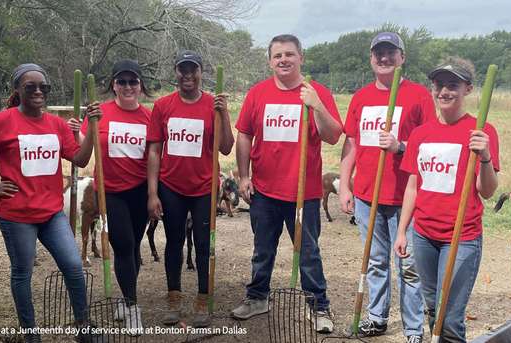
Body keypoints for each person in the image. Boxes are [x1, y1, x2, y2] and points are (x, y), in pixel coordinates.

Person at [0, 64, 99, 343]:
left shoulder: (55, 123)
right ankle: (31, 334)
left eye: (44, 87)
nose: (38, 91)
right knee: (22, 272)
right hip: (16, 215)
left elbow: (80, 159)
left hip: (52, 213)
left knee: (73, 266)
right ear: (17, 90)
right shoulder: (1, 122)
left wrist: (92, 128)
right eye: (30, 86)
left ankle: (84, 327)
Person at [230, 34, 343, 333]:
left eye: (289, 54)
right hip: (265, 191)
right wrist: (244, 176)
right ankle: (257, 297)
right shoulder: (258, 93)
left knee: (308, 253)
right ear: (270, 61)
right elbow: (243, 135)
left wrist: (317, 105)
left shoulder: (316, 93)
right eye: (278, 55)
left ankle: (318, 305)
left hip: (303, 193)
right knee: (262, 249)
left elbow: (333, 136)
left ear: (301, 58)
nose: (283, 60)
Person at [339, 32, 436, 342]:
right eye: (378, 53)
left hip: (404, 196)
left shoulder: (419, 96)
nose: (384, 58)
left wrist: (401, 145)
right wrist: (345, 186)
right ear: (371, 58)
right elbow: (351, 144)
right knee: (377, 260)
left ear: (402, 57)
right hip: (368, 195)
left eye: (391, 52)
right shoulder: (361, 97)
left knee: (408, 265)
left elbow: (431, 144)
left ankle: (412, 329)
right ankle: (377, 317)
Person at [394, 57, 499, 342]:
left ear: (468, 88)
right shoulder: (420, 134)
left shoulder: (481, 132)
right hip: (424, 235)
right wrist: (403, 230)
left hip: (461, 237)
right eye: (439, 85)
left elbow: (487, 191)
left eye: (453, 85)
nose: (444, 92)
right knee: (432, 309)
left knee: (449, 318)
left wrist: (485, 157)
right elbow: (414, 186)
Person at [147, 50, 234, 328]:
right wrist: (152, 192)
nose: (187, 75)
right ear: (176, 72)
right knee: (174, 243)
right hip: (171, 187)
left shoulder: (212, 105)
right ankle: (174, 300)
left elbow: (226, 147)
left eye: (192, 69)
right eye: (182, 69)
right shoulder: (162, 106)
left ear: (200, 72)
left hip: (204, 189)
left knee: (204, 246)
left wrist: (225, 113)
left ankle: (203, 300)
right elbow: (154, 151)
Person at [69, 59, 151, 333]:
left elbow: (155, 156)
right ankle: (132, 307)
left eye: (133, 81)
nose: (127, 86)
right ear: (113, 85)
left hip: (139, 192)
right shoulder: (99, 112)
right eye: (121, 81)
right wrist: (83, 128)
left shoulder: (150, 117)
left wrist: (154, 193)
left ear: (140, 86)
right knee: (124, 245)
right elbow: (82, 149)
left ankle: (124, 297)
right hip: (110, 192)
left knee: (133, 248)